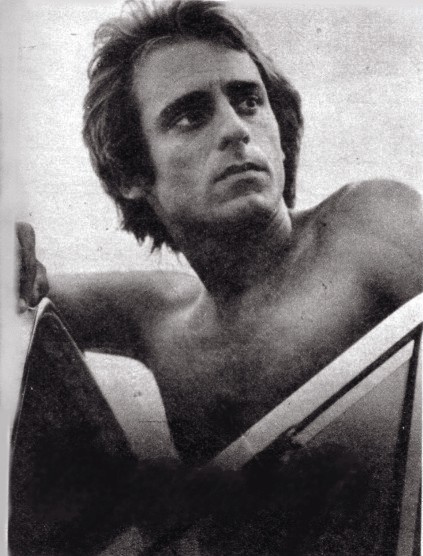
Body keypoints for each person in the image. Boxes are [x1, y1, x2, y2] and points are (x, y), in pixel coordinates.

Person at [16, 0, 422, 553]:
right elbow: (26, 282)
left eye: (250, 101)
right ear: (133, 172)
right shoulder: (160, 314)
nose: (235, 129)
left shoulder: (368, 222)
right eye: (190, 115)